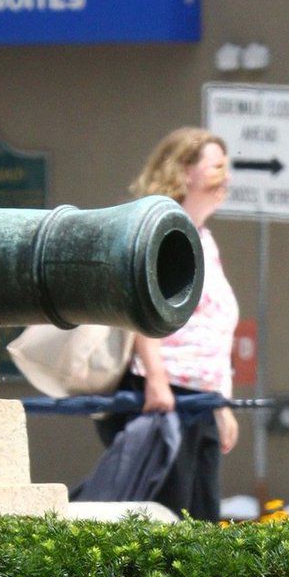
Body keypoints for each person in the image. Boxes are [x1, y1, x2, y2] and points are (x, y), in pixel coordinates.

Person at [99, 127, 240, 521]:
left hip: (199, 398)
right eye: (216, 167)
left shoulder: (203, 239)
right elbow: (145, 309)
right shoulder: (161, 230)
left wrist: (221, 403)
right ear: (183, 171)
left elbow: (215, 328)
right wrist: (156, 379)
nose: (226, 177)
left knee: (202, 523)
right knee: (166, 519)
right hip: (166, 392)